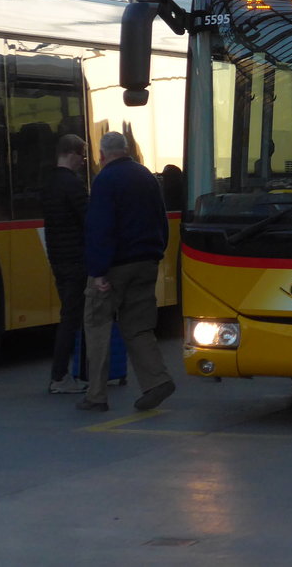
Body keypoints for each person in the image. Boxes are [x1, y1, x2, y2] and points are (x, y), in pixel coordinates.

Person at [77, 131, 175, 413]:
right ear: (127, 149)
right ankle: (157, 381)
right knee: (138, 327)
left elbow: (99, 228)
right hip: (146, 262)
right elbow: (161, 219)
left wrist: (98, 271)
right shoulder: (146, 176)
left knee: (97, 325)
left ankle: (96, 395)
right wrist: (155, 253)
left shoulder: (105, 180)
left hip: (115, 266)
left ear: (102, 155)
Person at [42, 133, 89, 394]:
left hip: (57, 258)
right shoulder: (72, 185)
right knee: (72, 318)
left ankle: (70, 374)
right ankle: (60, 377)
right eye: (81, 155)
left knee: (70, 315)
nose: (83, 161)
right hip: (76, 260)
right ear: (72, 154)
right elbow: (88, 220)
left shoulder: (48, 184)